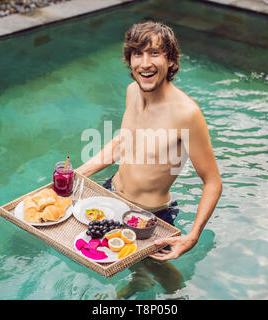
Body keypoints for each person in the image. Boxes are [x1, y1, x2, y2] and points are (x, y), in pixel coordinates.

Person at [76, 21, 222, 296]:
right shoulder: (133, 91)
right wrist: (76, 174)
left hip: (148, 217)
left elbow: (213, 181)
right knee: (116, 255)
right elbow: (122, 144)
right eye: (138, 54)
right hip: (110, 196)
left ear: (170, 60)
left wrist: (192, 236)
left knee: (171, 283)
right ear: (129, 60)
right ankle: (139, 282)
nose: (145, 63)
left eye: (155, 53)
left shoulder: (186, 114)